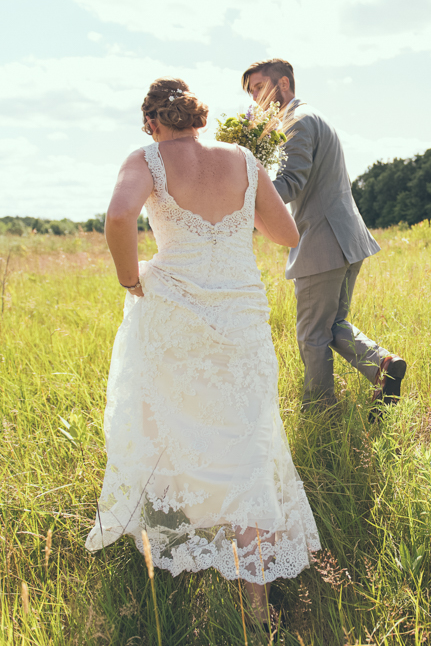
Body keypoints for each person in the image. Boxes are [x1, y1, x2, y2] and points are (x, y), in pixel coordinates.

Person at [85, 77, 321, 625]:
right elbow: (286, 236)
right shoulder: (243, 159)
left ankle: (165, 554)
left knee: (164, 424)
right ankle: (256, 605)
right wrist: (243, 210)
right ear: (199, 117)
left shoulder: (147, 158)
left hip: (175, 313)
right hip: (242, 320)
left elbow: (120, 216)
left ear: (152, 122)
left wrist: (129, 280)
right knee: (247, 444)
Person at [241, 59, 406, 414]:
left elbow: (289, 184)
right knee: (331, 326)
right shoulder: (310, 116)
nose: (254, 99)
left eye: (258, 88)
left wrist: (238, 186)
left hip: (322, 242)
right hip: (346, 239)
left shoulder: (297, 122)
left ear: (283, 83)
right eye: (250, 92)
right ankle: (384, 365)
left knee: (312, 336)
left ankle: (320, 411)